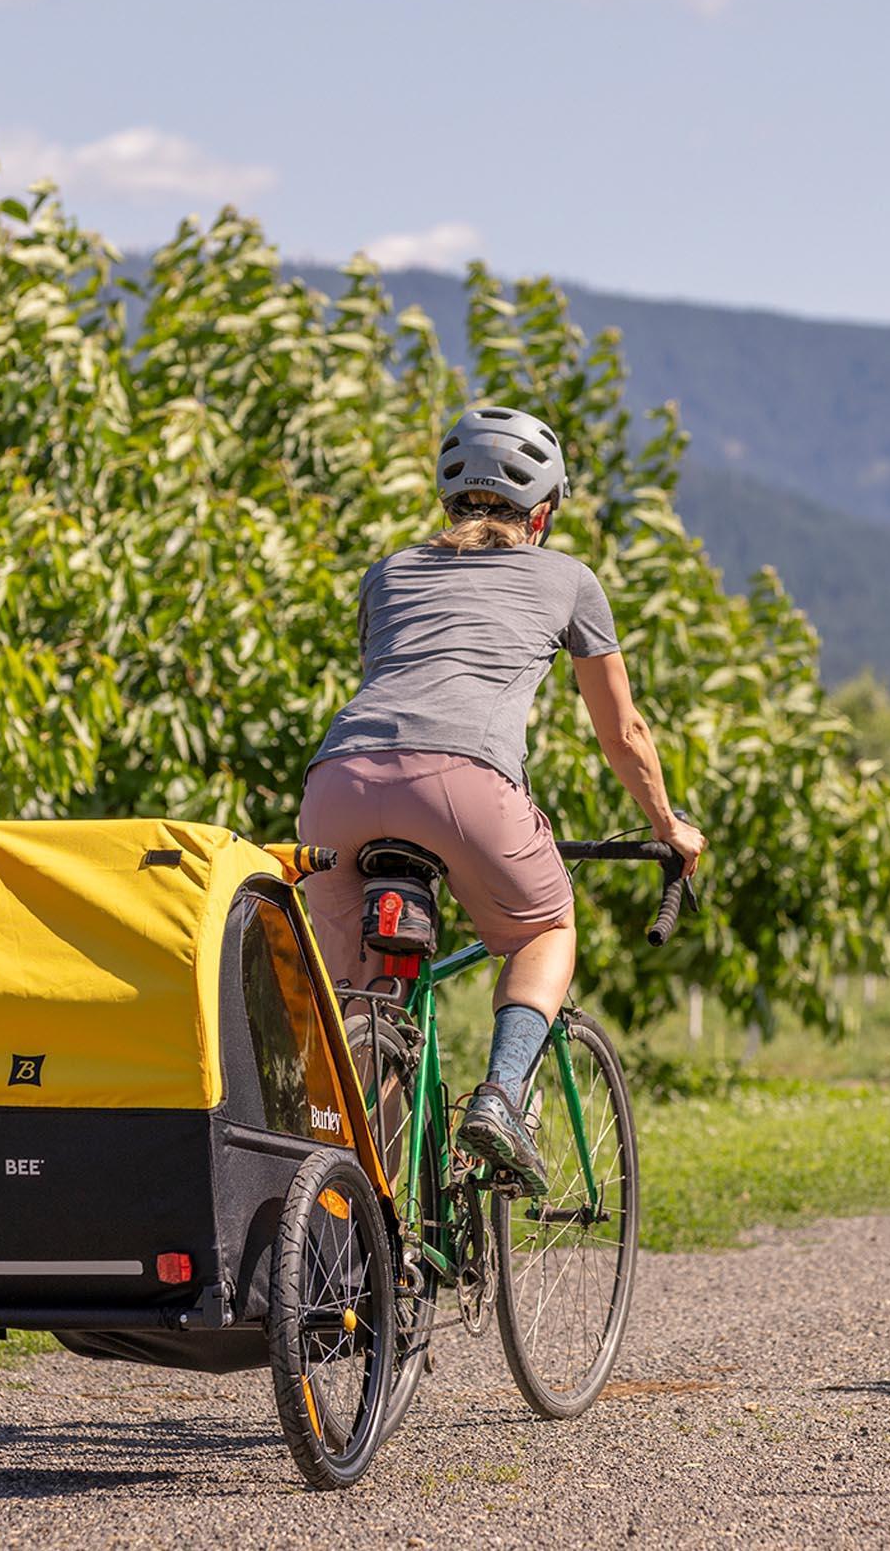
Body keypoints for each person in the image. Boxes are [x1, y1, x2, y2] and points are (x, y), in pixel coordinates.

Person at [297, 405, 705, 1195]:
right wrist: (670, 827)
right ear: (543, 512)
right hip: (464, 786)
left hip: (336, 786)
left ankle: (370, 1247)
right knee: (545, 928)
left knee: (368, 1013)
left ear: (447, 500)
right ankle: (501, 1098)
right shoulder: (569, 579)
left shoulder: (388, 573)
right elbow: (623, 731)